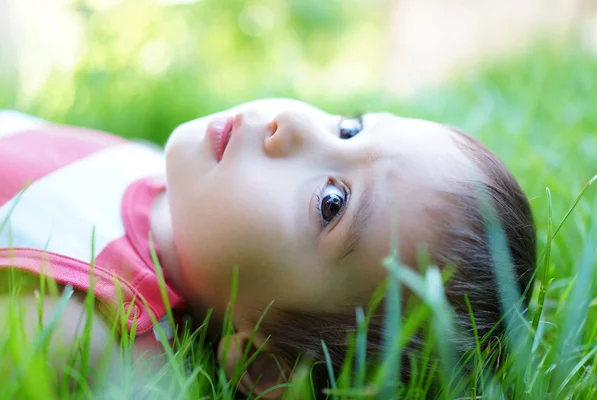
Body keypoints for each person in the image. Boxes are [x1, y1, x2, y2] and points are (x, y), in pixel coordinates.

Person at [0, 98, 536, 397]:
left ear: (264, 365)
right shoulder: (160, 176)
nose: (294, 124)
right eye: (349, 129)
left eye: (331, 202)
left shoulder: (88, 323)